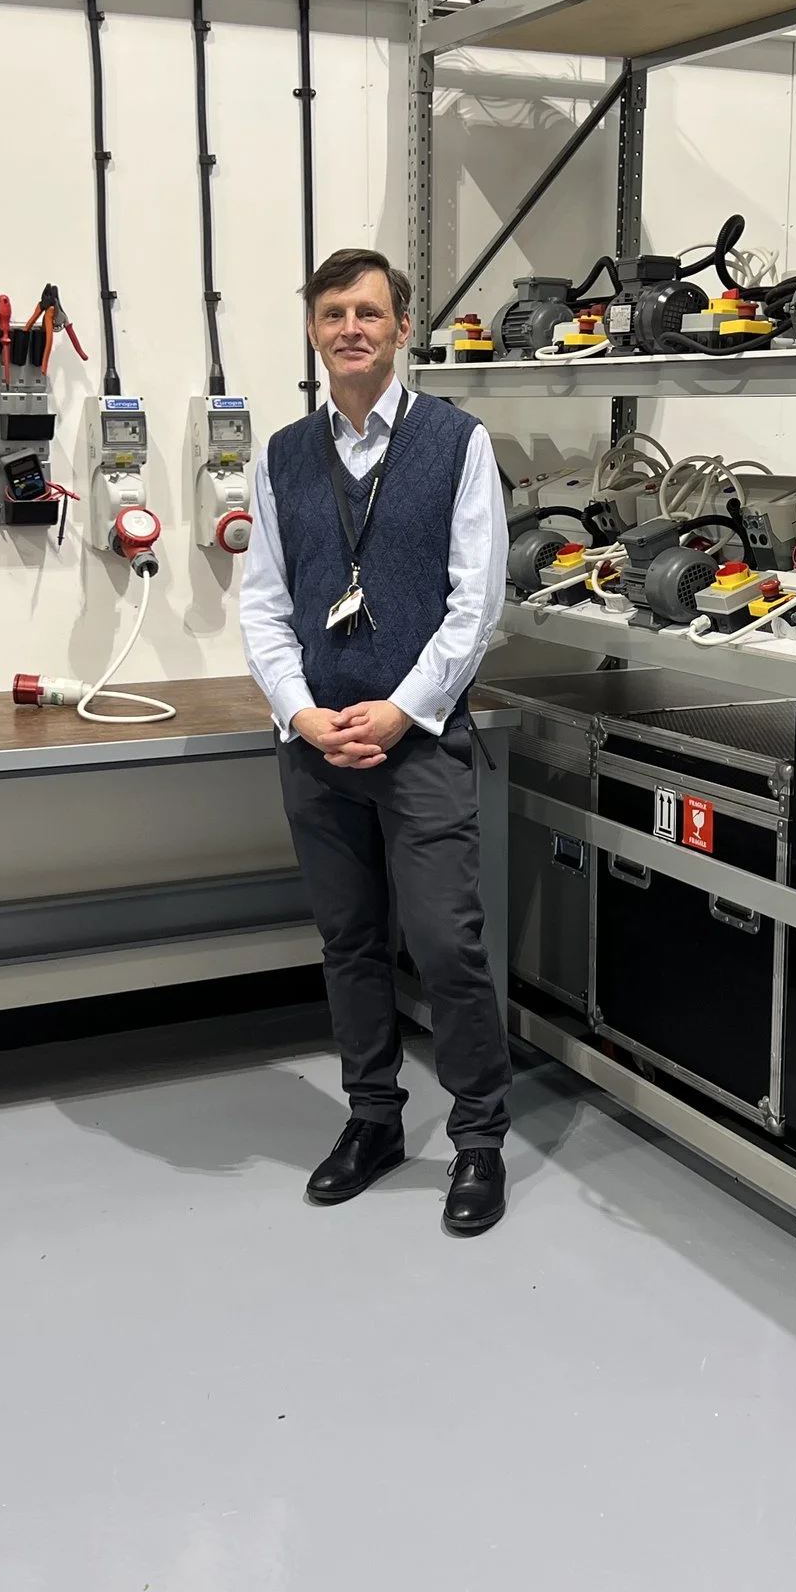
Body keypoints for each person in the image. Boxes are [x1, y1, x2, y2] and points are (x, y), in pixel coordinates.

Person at [239, 247, 514, 1236]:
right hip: (317, 744)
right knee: (349, 943)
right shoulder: (279, 458)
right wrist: (299, 711)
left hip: (418, 739)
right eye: (330, 313)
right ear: (313, 331)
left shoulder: (456, 444)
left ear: (403, 329)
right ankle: (373, 1121)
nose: (349, 327)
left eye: (368, 312)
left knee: (446, 942)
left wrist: (402, 709)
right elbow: (265, 602)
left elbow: (475, 600)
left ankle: (479, 1137)